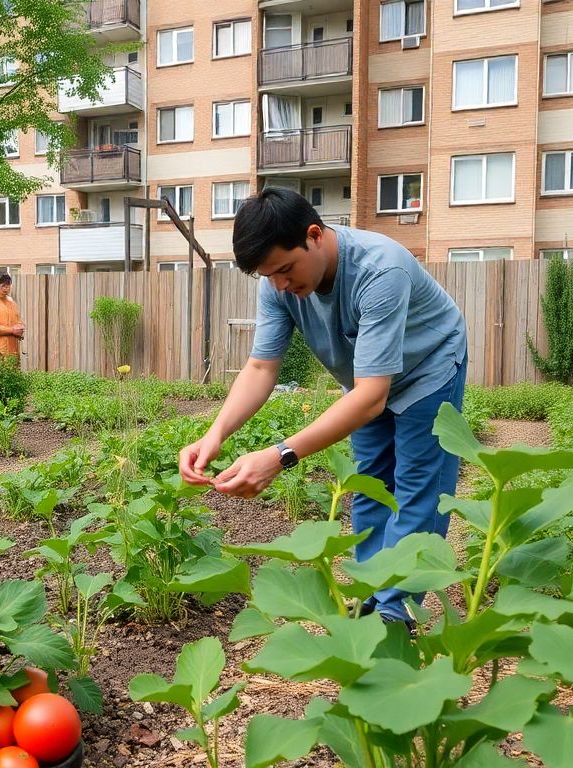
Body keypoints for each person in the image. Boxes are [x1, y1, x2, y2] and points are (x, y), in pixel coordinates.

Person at [178, 188, 468, 630]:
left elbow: (372, 396)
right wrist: (214, 434)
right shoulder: (279, 286)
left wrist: (280, 455)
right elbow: (260, 367)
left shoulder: (379, 270)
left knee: (416, 492)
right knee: (370, 486)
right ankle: (371, 596)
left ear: (314, 235)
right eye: (269, 275)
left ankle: (394, 614)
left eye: (285, 269)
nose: (280, 284)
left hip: (427, 369)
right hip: (365, 382)